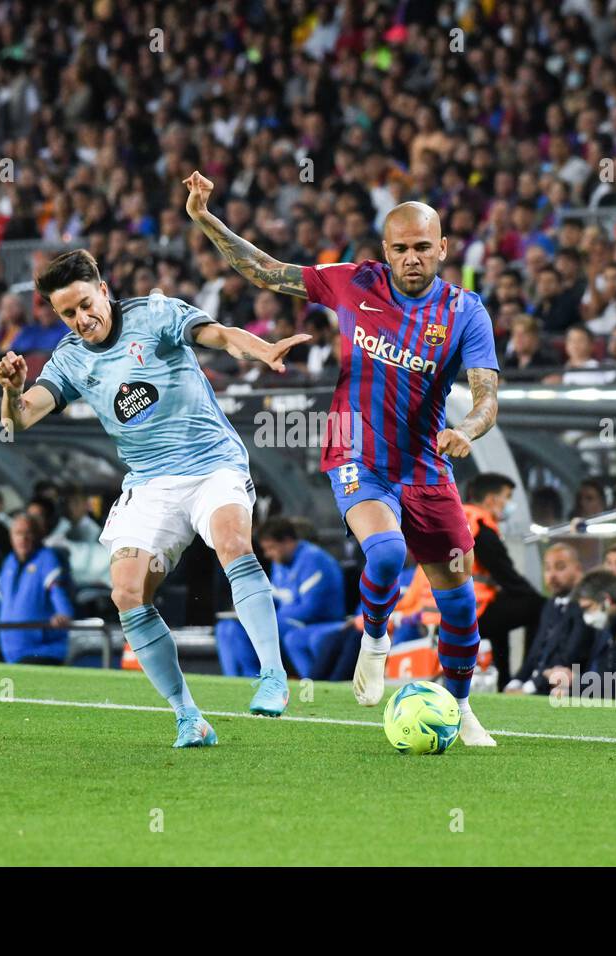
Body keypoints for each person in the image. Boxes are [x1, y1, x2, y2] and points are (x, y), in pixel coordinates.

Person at [186, 171, 502, 746]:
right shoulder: (352, 282)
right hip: (356, 450)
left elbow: (486, 397)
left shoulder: (465, 312)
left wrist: (469, 430)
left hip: (427, 466)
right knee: (385, 552)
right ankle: (375, 636)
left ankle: (458, 705)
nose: (412, 258)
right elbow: (267, 270)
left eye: (423, 248)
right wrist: (207, 220)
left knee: (459, 605)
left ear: (443, 249)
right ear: (386, 251)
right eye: (401, 248)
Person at [0, 249, 304, 747]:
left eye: (86, 304)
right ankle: (189, 716)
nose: (81, 319)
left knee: (232, 544)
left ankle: (272, 675)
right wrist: (12, 391)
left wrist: (262, 350)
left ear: (102, 287)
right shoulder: (71, 358)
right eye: (67, 313)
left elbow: (220, 336)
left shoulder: (155, 315)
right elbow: (19, 421)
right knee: (127, 594)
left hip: (211, 464)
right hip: (151, 482)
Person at [215, 517, 345, 678]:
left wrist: (269, 618)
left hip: (313, 622)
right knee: (226, 627)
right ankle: (235, 681)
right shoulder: (280, 563)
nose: (267, 554)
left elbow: (312, 608)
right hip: (286, 621)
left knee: (254, 628)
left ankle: (256, 678)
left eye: (271, 548)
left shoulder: (315, 559)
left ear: (288, 541)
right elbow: (273, 597)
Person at [462, 472, 544, 689]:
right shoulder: (482, 527)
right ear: (490, 499)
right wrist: (535, 596)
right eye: (507, 497)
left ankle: (505, 679)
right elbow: (507, 575)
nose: (509, 504)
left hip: (440, 606)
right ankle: (525, 676)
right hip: (470, 611)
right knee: (537, 606)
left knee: (504, 610)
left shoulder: (459, 519)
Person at [0, 514, 76, 665]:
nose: (23, 538)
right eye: (18, 533)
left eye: (28, 532)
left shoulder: (47, 558)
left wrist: (64, 614)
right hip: (11, 654)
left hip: (42, 652)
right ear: (11, 536)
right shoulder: (9, 561)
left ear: (36, 536)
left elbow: (56, 589)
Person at [503, 543, 592, 695]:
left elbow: (568, 658)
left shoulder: (584, 608)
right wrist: (515, 682)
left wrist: (527, 688)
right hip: (532, 686)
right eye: (548, 569)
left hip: (557, 690)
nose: (552, 575)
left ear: (578, 571)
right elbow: (534, 653)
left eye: (560, 567)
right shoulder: (549, 606)